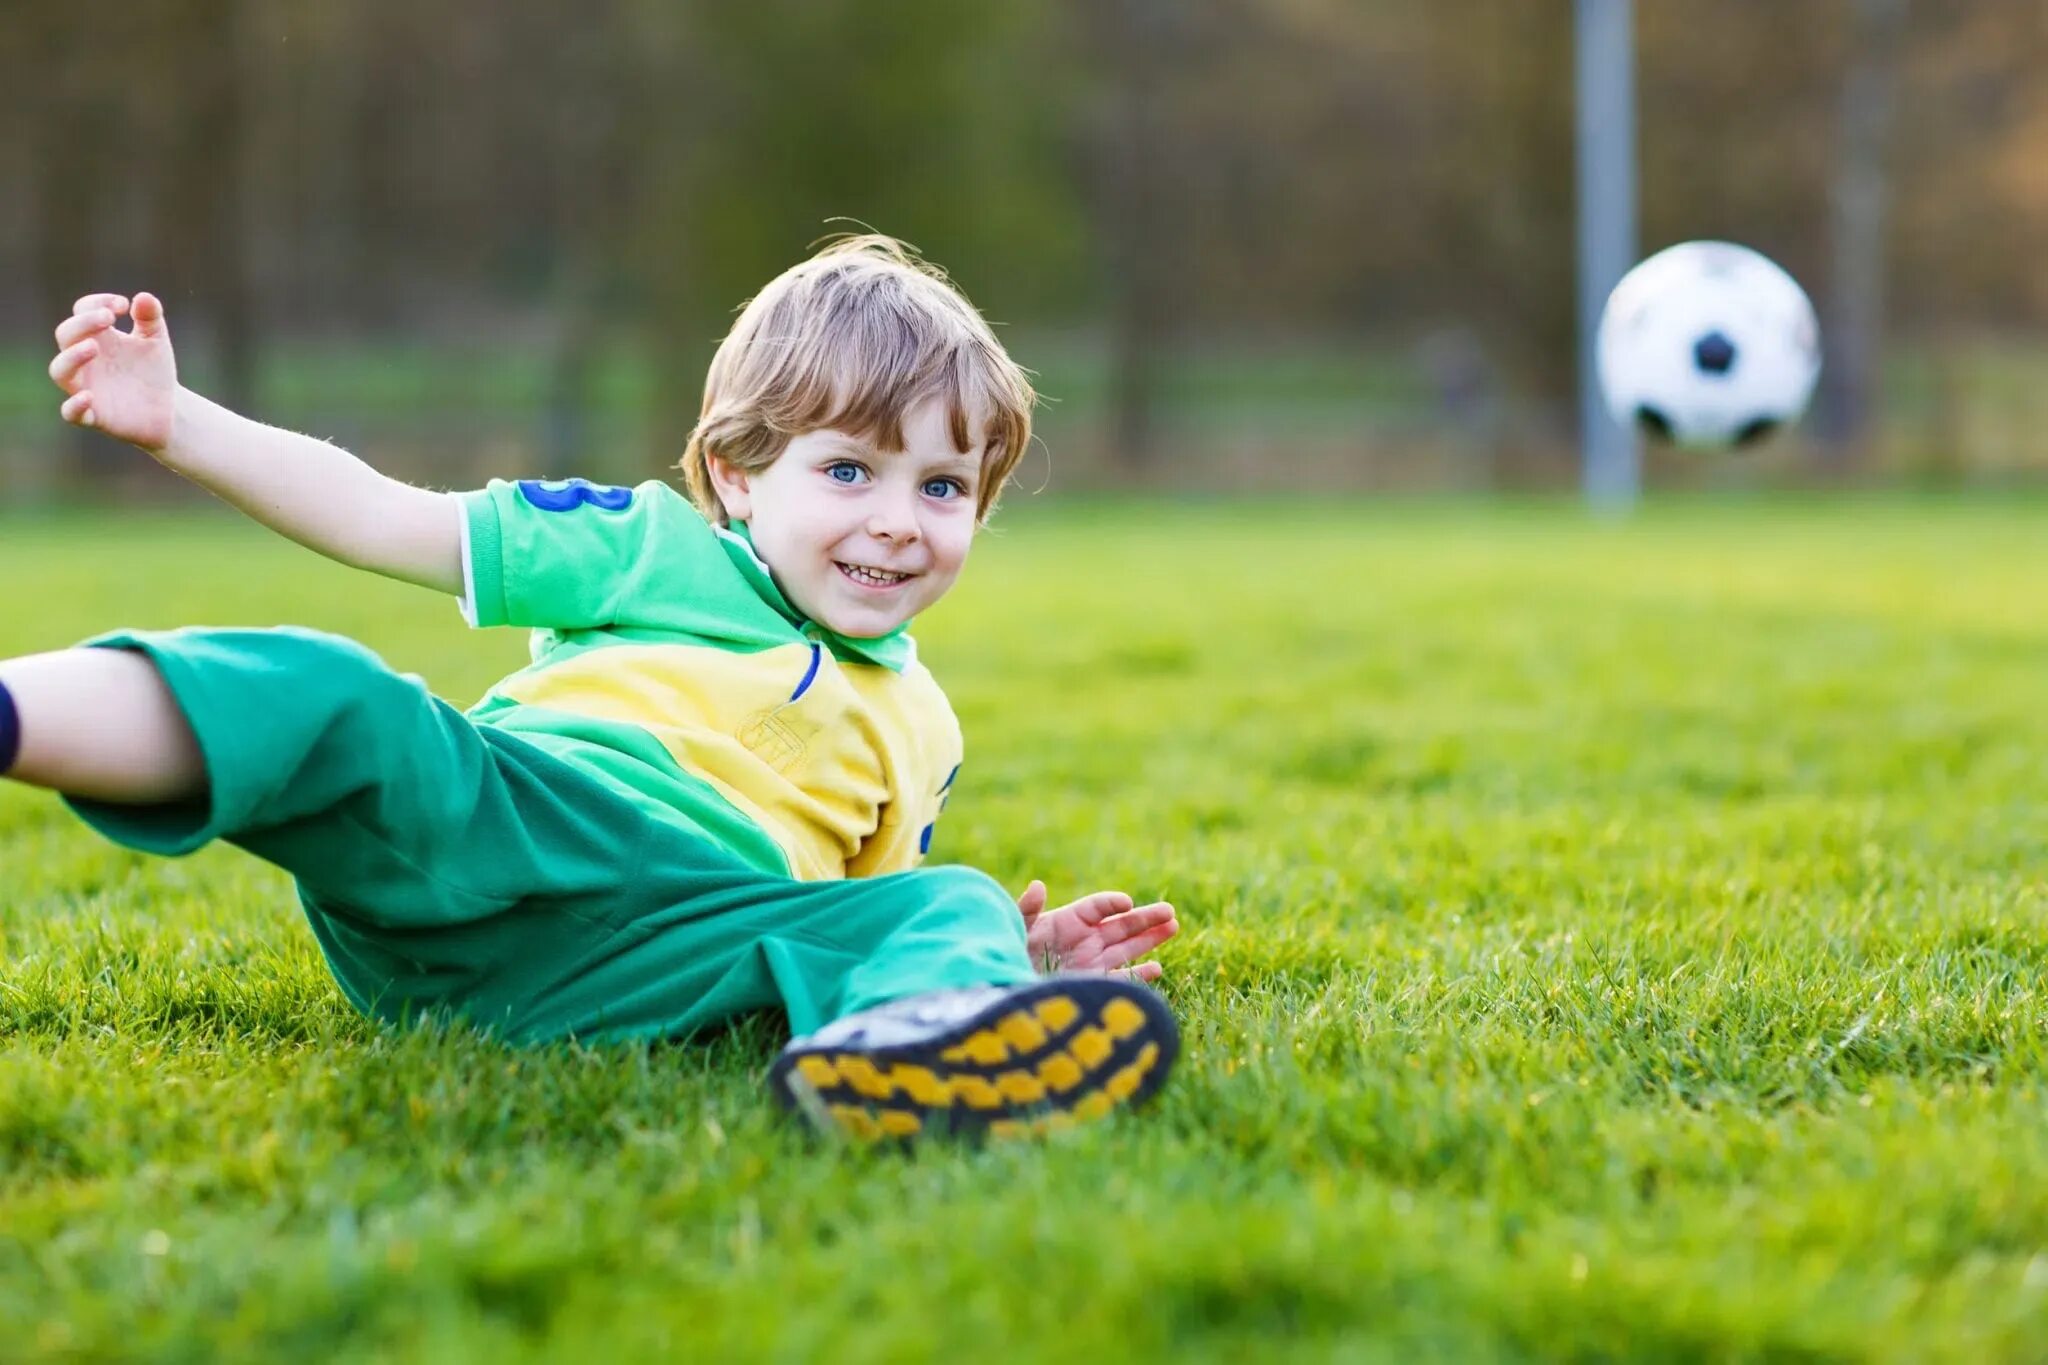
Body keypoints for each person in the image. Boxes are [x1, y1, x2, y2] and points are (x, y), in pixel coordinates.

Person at [18, 235, 1180, 1141]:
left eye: (942, 488)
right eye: (846, 470)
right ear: (734, 473)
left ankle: (953, 1053)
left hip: (675, 950)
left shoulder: (922, 727)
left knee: (949, 895)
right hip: (506, 831)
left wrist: (1006, 957)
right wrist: (181, 423)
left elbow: (850, 922)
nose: (895, 520)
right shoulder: (648, 547)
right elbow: (383, 515)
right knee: (326, 693)